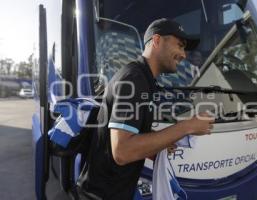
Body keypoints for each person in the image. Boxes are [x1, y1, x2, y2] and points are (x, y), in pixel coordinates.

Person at [76, 18, 214, 200]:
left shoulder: (144, 79)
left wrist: (158, 145)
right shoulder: (134, 79)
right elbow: (122, 151)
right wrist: (187, 126)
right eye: (179, 45)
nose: (184, 55)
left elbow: (130, 135)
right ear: (156, 41)